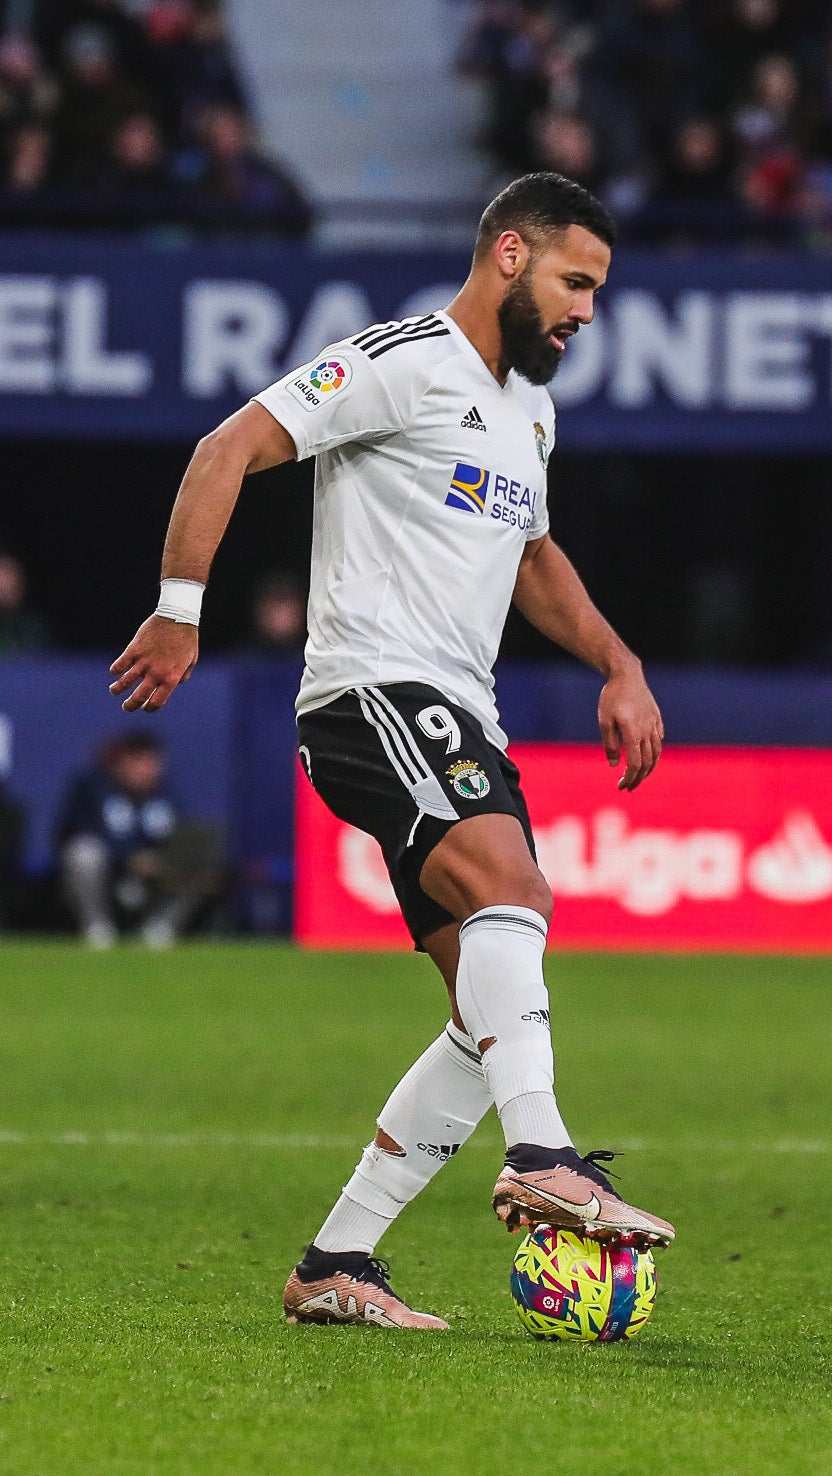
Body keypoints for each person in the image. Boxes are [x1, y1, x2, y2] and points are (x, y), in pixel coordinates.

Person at [108, 172, 674, 1330]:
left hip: (464, 709)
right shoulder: (401, 360)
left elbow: (530, 556)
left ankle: (338, 1263)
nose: (587, 311)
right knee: (516, 890)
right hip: (373, 694)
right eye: (577, 281)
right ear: (509, 255)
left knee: (486, 1005)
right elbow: (226, 448)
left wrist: (619, 662)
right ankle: (546, 1157)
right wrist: (179, 607)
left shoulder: (530, 408)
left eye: (599, 291)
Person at [56, 729, 216, 948]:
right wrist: (129, 858)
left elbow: (180, 837)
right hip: (109, 871)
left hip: (153, 879)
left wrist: (159, 861)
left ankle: (160, 929)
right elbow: (72, 834)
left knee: (196, 864)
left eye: (152, 762)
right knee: (83, 853)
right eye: (139, 762)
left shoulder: (166, 794)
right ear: (122, 762)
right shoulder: (92, 789)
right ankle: (97, 928)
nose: (146, 770)